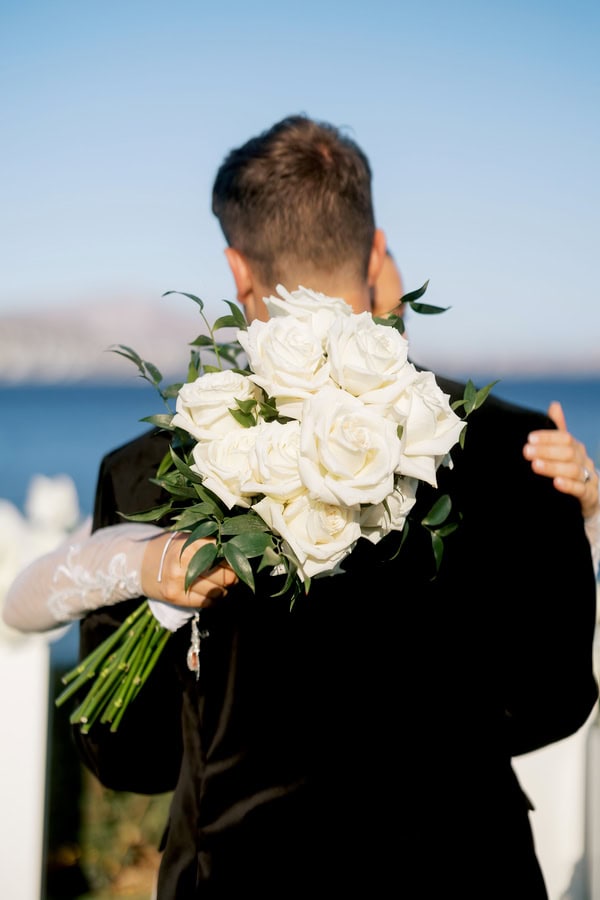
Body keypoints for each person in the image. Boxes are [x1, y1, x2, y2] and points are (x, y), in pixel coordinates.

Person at [3, 114, 599, 898]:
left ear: (236, 269)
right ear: (377, 254)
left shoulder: (156, 470)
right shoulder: (524, 448)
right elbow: (555, 700)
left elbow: (130, 755)